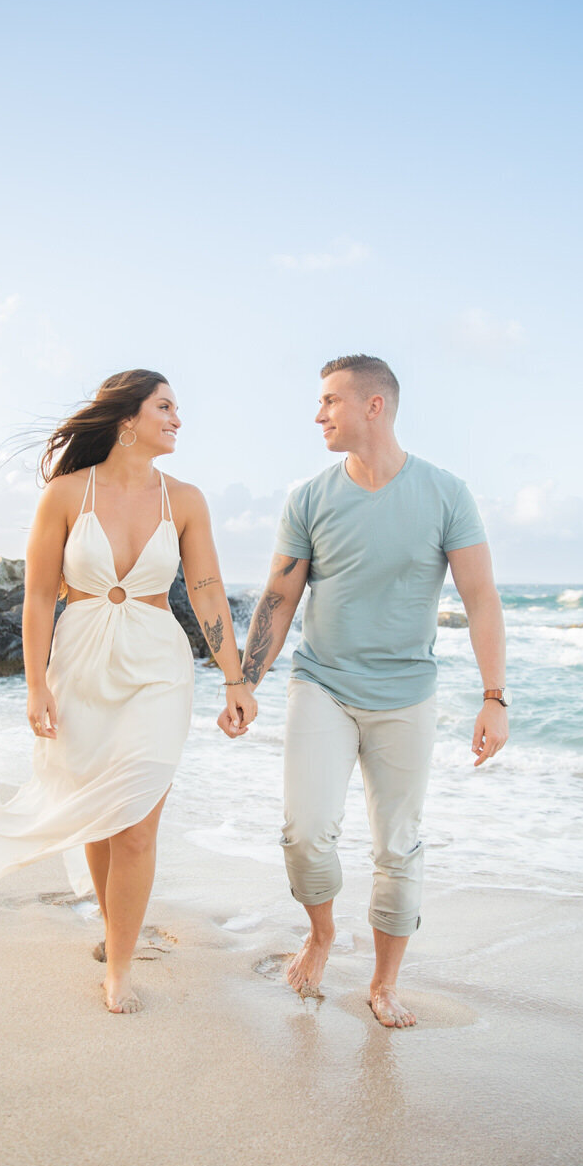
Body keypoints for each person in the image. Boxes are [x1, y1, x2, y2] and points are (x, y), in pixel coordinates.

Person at [0, 369, 256, 1014]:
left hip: (158, 665)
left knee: (133, 823)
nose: (178, 418)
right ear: (127, 420)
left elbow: (207, 590)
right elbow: (41, 595)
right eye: (166, 407)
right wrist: (35, 684)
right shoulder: (67, 494)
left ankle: (120, 968)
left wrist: (234, 678)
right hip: (79, 665)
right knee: (101, 815)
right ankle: (112, 931)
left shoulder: (185, 499)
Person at [218, 354, 508, 1028]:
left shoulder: (446, 494)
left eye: (330, 401)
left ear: (373, 406)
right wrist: (244, 682)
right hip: (322, 683)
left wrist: (496, 696)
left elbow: (482, 598)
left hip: (407, 695)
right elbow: (280, 594)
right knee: (305, 833)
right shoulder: (310, 497)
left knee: (397, 846)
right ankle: (321, 932)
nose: (318, 414)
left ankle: (383, 984)